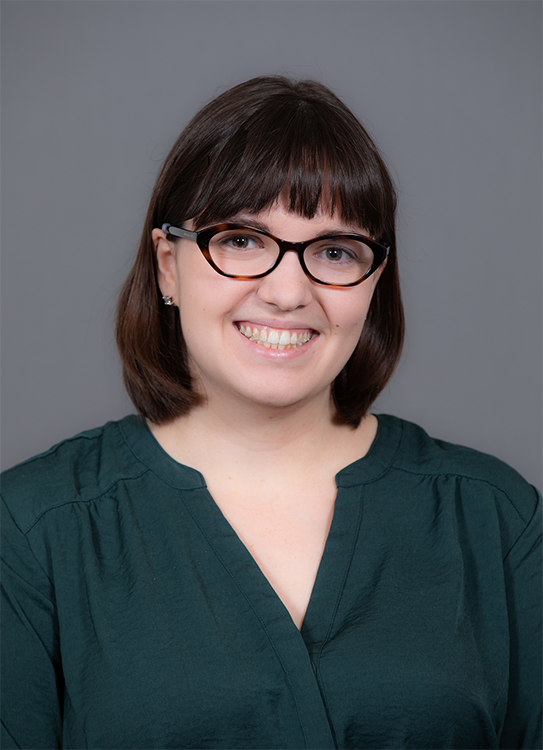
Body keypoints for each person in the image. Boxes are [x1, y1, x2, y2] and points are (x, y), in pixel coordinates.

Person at [0, 76, 541, 750]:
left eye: (335, 252)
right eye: (242, 241)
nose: (288, 292)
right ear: (168, 266)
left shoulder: (494, 518)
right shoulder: (31, 530)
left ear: (374, 281)